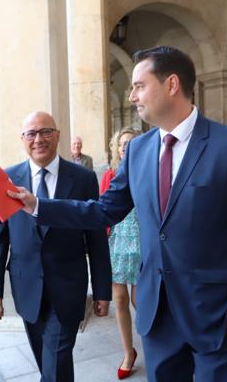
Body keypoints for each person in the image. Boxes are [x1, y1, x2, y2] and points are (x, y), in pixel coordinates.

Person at [8, 46, 227, 382]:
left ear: (171, 85)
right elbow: (104, 210)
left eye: (139, 85)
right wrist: (39, 206)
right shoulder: (138, 150)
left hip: (220, 316)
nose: (132, 95)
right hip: (157, 317)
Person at [0, 111, 112, 382]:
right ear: (22, 139)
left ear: (57, 135)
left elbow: (96, 239)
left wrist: (103, 290)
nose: (38, 139)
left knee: (55, 361)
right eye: (31, 133)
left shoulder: (83, 178)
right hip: (27, 287)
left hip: (68, 288)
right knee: (50, 364)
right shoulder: (6, 180)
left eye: (45, 132)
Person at [100, 128, 142, 379]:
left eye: (130, 143)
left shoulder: (147, 170)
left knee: (141, 301)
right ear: (117, 149)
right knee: (119, 299)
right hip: (116, 241)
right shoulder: (110, 174)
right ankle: (129, 352)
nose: (125, 147)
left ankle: (156, 348)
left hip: (141, 241)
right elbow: (103, 208)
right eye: (122, 144)